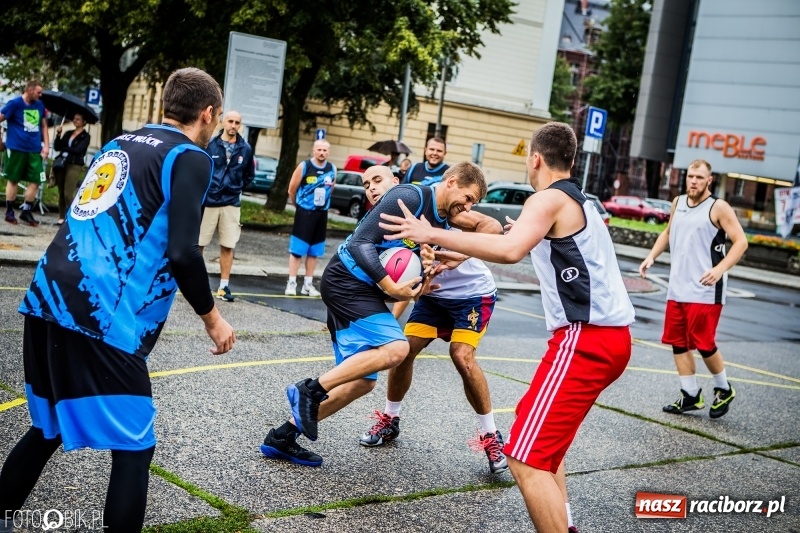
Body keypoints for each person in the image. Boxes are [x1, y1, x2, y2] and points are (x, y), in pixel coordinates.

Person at [0, 67, 236, 533]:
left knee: (47, 428)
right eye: (218, 114)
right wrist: (213, 318)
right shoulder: (190, 156)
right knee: (134, 445)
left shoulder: (118, 143)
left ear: (165, 105)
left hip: (48, 294)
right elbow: (184, 252)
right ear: (208, 113)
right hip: (98, 309)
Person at [379, 122, 635, 532]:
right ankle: (564, 522)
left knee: (524, 455)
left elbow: (510, 251)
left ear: (535, 159)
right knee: (545, 443)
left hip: (585, 340)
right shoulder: (580, 201)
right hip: (609, 340)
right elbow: (532, 242)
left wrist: (428, 233)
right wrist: (472, 247)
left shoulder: (547, 198)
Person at [259, 163, 487, 467]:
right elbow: (359, 244)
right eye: (469, 197)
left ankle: (282, 437)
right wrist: (391, 286)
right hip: (345, 282)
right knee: (397, 348)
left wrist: (423, 278)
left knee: (362, 382)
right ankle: (309, 389)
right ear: (453, 182)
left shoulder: (441, 225)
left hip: (363, 292)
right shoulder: (410, 196)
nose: (468, 206)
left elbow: (413, 269)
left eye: (474, 203)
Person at [359, 166, 508, 475]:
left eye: (378, 182)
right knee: (403, 350)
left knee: (461, 356)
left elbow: (492, 227)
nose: (373, 189)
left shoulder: (444, 209)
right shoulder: (393, 222)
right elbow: (404, 278)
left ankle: (491, 436)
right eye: (369, 185)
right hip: (434, 296)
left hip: (472, 295)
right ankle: (390, 419)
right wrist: (389, 321)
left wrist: (461, 254)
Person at [639, 159, 747, 419]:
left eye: (699, 177)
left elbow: (741, 242)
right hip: (678, 287)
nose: (694, 181)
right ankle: (690, 395)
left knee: (703, 342)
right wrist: (652, 256)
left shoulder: (718, 207)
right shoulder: (678, 203)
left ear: (709, 180)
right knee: (678, 342)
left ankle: (724, 389)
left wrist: (720, 269)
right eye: (690, 177)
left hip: (705, 289)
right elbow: (667, 232)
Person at [199, 110, 255, 302]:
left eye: (237, 122)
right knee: (199, 244)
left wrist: (235, 187)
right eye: (230, 121)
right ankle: (195, 282)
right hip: (210, 201)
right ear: (223, 122)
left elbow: (248, 175)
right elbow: (202, 170)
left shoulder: (245, 148)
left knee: (228, 245)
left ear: (240, 125)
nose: (233, 125)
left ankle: (224, 287)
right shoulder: (211, 145)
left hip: (231, 202)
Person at [285, 139, 336, 297]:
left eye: (325, 150)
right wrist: (299, 206)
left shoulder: (332, 168)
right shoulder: (305, 166)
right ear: (314, 150)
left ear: (328, 152)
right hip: (304, 213)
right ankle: (292, 282)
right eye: (319, 150)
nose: (322, 153)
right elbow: (291, 190)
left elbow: (331, 189)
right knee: (297, 251)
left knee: (314, 252)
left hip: (321, 214)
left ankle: (308, 284)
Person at [0, 80, 49, 227]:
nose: (40, 95)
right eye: (38, 92)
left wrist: (46, 146)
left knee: (36, 180)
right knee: (13, 179)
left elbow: (44, 126)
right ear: (30, 90)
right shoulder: (14, 104)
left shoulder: (40, 105)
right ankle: (9, 211)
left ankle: (26, 210)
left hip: (34, 149)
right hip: (16, 148)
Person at [52, 112, 91, 225]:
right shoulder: (68, 133)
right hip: (62, 164)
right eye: (74, 119)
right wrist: (58, 135)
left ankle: (72, 216)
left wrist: (65, 149)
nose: (75, 121)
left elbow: (78, 150)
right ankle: (61, 217)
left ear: (84, 122)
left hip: (74, 165)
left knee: (68, 193)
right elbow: (57, 147)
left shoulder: (85, 136)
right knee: (61, 191)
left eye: (78, 119)